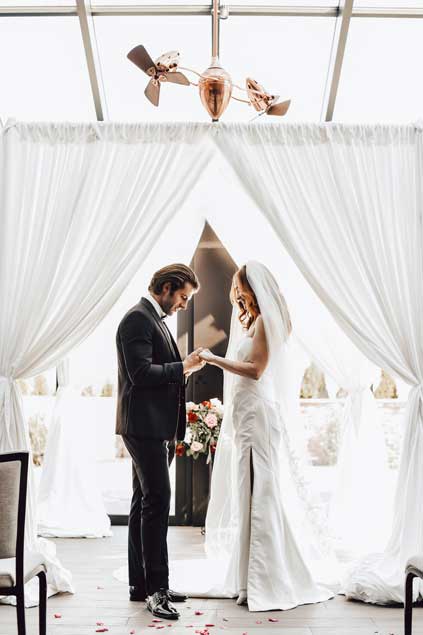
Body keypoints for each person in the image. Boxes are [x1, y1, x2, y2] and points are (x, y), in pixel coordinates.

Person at [197, 261, 336, 611]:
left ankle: (264, 577)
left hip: (257, 414)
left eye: (241, 287)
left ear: (254, 287)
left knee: (260, 489)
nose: (238, 294)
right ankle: (248, 575)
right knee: (250, 489)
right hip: (248, 414)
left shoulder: (265, 322)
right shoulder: (258, 321)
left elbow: (256, 370)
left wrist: (214, 360)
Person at [115, 263, 205, 620]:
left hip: (152, 426)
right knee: (157, 503)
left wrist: (184, 366)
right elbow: (140, 375)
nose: (184, 304)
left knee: (143, 502)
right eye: (183, 296)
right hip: (144, 427)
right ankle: (157, 590)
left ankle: (141, 585)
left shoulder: (152, 321)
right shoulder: (137, 319)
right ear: (166, 288)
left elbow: (155, 370)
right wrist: (183, 367)